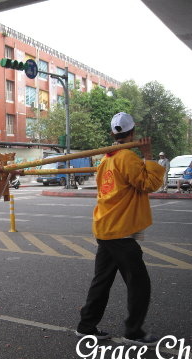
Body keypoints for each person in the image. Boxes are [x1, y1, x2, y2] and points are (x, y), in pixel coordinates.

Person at [76, 112, 164, 346]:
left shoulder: (107, 158)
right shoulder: (127, 157)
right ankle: (133, 332)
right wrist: (148, 155)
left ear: (113, 134)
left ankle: (86, 326)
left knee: (102, 280)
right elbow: (149, 184)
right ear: (133, 132)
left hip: (106, 226)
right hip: (119, 231)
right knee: (139, 284)